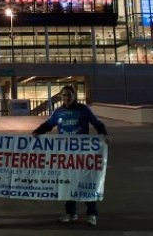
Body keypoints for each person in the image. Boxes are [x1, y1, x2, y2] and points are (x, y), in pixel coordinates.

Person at [32, 84, 108, 226]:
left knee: (86, 182)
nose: (67, 97)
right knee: (68, 182)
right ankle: (71, 213)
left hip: (82, 153)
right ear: (61, 97)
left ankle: (91, 214)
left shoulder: (83, 110)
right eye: (64, 95)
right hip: (66, 155)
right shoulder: (58, 112)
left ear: (74, 96)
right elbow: (48, 125)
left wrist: (103, 135)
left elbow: (97, 123)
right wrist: (37, 132)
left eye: (69, 95)